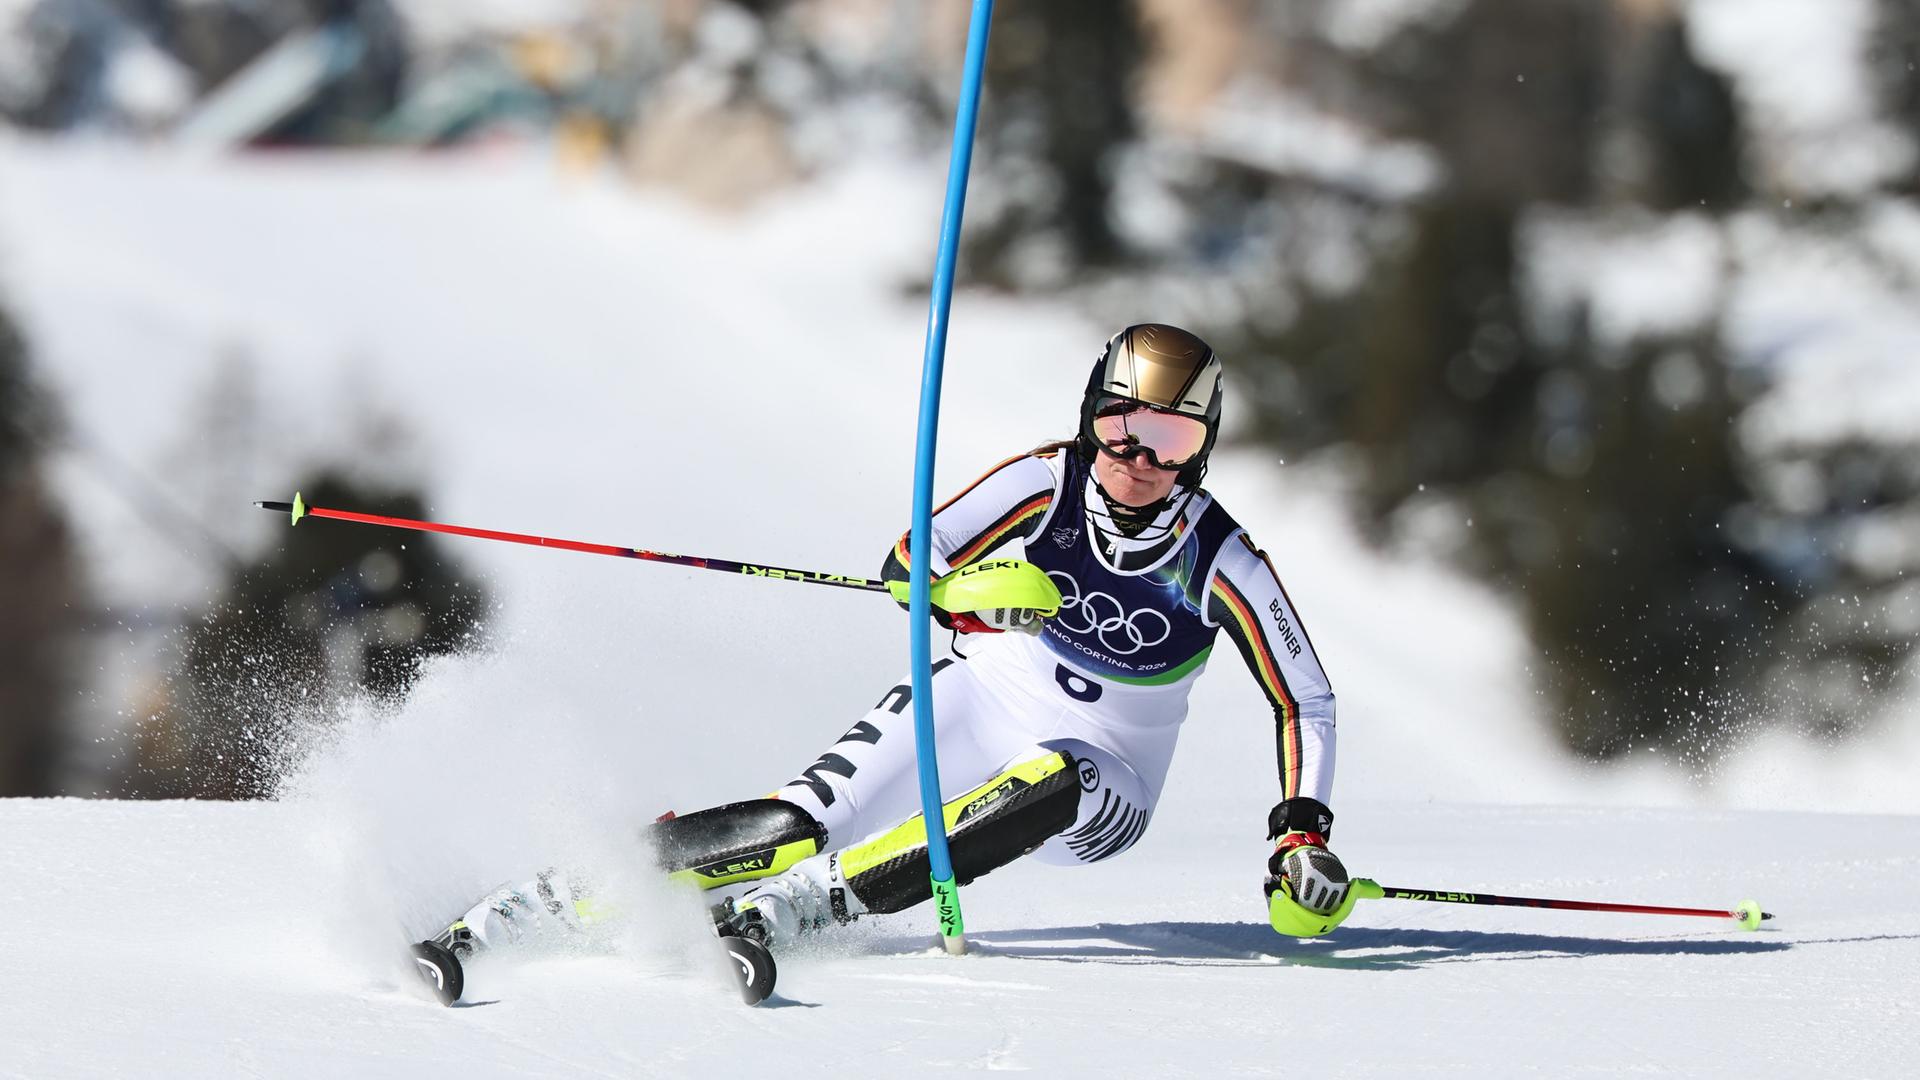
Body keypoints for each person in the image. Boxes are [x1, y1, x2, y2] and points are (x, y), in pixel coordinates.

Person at [435, 323, 1351, 959]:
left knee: (1057, 776)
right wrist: (965, 603)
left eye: (1168, 438)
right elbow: (915, 555)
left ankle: (811, 906)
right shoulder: (1049, 482)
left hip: (1106, 777)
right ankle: (558, 894)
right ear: (1089, 416)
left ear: (1203, 445)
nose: (1137, 459)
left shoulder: (1219, 557)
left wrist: (1299, 834)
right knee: (797, 823)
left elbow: (1302, 695)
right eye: (1120, 426)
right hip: (980, 697)